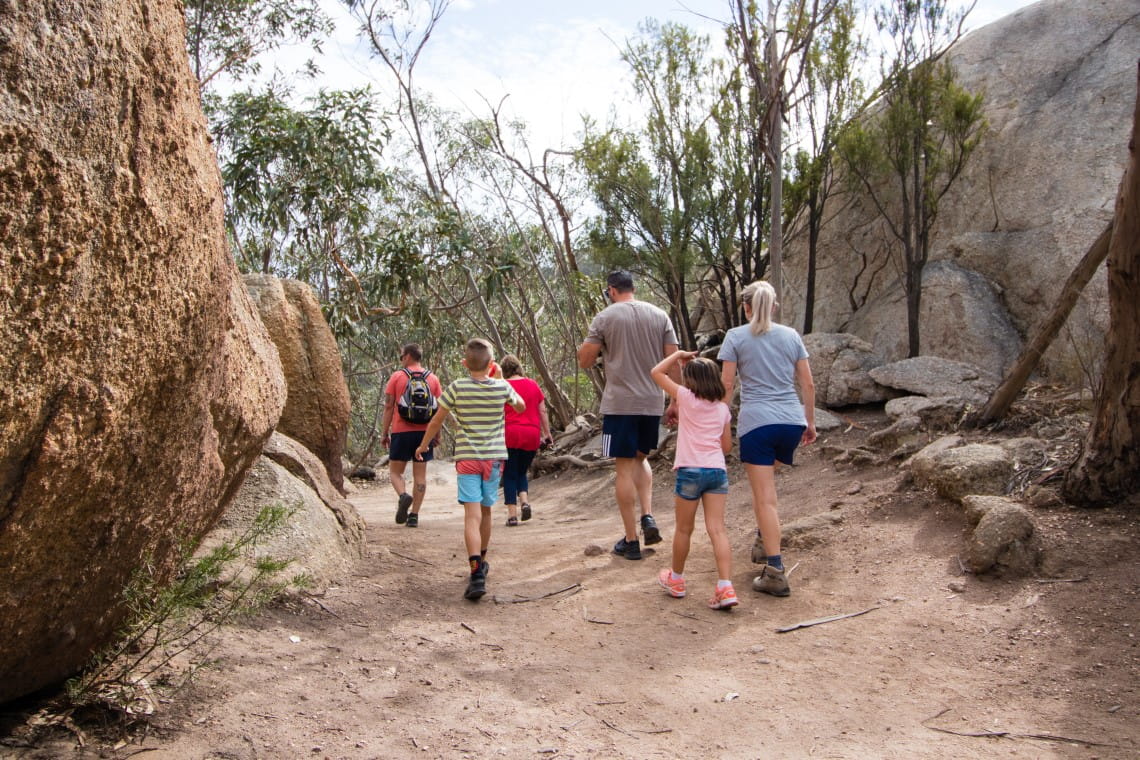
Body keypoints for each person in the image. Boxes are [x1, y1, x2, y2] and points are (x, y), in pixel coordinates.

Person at [718, 280, 817, 597]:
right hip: (791, 422)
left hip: (757, 423)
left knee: (765, 498)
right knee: (768, 490)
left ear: (745, 307)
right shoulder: (791, 336)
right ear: (773, 305)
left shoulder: (736, 337)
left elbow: (727, 384)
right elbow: (808, 384)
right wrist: (810, 423)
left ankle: (775, 571)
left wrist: (721, 422)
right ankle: (764, 539)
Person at [577, 269, 679, 561]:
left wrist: (592, 346)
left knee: (623, 467)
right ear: (632, 288)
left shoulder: (605, 317)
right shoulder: (660, 315)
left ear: (611, 290)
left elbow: (585, 361)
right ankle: (647, 516)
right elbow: (674, 359)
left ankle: (631, 540)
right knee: (641, 458)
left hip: (620, 404)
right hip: (651, 401)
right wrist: (676, 400)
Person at [415, 339, 524, 601]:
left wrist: (423, 446)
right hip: (494, 459)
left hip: (467, 460)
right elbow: (520, 406)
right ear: (492, 364)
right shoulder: (500, 387)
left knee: (471, 516)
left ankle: (475, 572)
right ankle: (482, 562)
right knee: (486, 513)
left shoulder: (456, 388)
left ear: (465, 363)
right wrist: (501, 380)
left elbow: (437, 420)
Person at [650, 351, 737, 610]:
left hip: (690, 471)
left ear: (691, 382)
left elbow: (656, 373)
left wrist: (677, 354)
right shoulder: (722, 409)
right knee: (717, 529)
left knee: (684, 529)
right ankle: (725, 586)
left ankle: (676, 580)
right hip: (716, 471)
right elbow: (727, 446)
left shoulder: (685, 398)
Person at [380, 343, 443, 528]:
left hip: (401, 431)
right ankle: (414, 515)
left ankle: (403, 495)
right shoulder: (432, 378)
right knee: (420, 476)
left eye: (402, 356)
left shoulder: (397, 377)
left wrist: (385, 433)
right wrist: (436, 434)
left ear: (407, 356)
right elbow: (439, 410)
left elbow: (389, 406)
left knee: (395, 472)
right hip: (424, 434)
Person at [498, 354, 553, 526]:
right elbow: (542, 411)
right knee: (521, 472)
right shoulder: (533, 384)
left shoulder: (503, 386)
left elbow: (498, 412)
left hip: (510, 434)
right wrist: (547, 433)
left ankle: (512, 515)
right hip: (531, 435)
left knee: (509, 474)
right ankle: (525, 502)